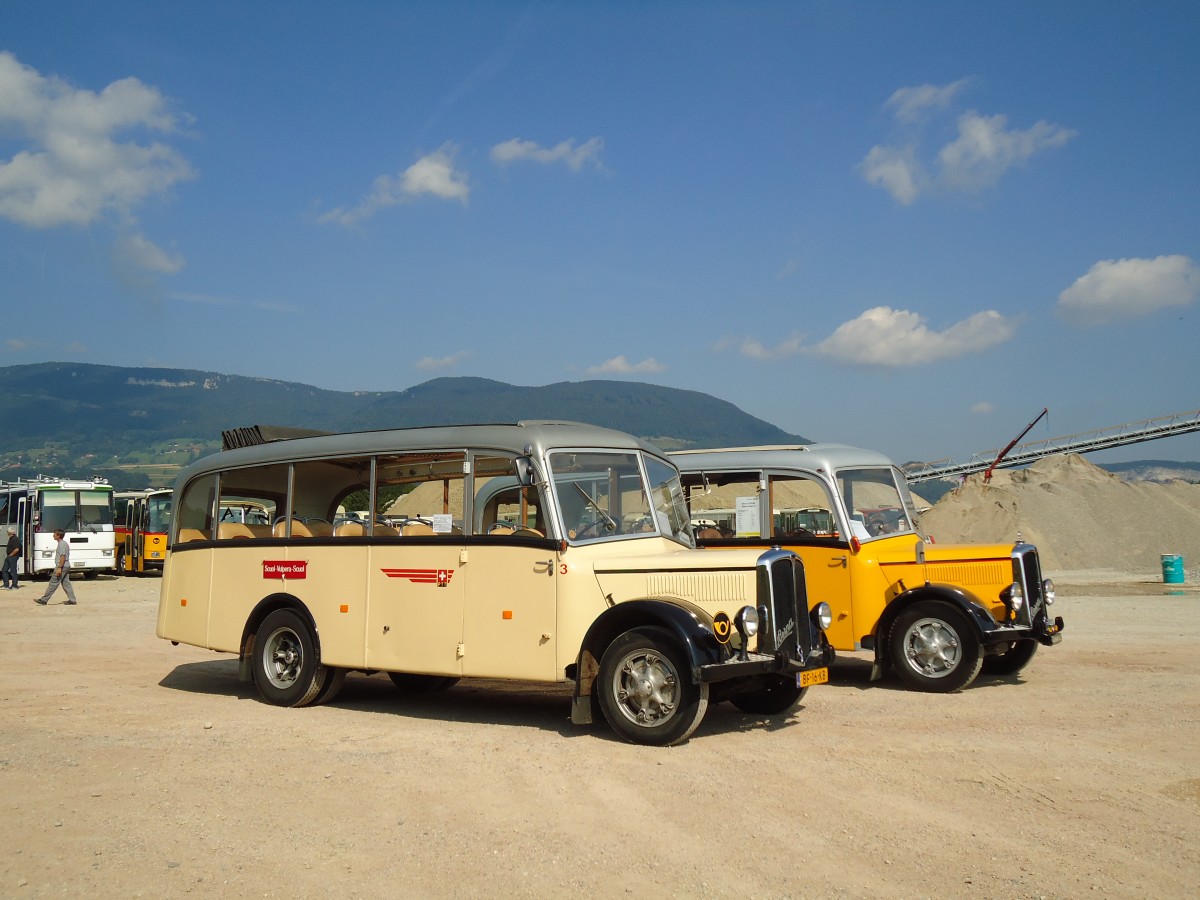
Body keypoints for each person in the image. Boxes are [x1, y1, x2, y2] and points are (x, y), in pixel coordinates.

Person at [34, 529, 77, 606]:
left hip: (62, 566)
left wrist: (59, 567)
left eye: (55, 534)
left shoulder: (61, 544)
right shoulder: (63, 543)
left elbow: (63, 556)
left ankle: (44, 600)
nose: (53, 535)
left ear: (58, 536)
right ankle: (72, 600)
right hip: (66, 565)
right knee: (66, 584)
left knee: (53, 583)